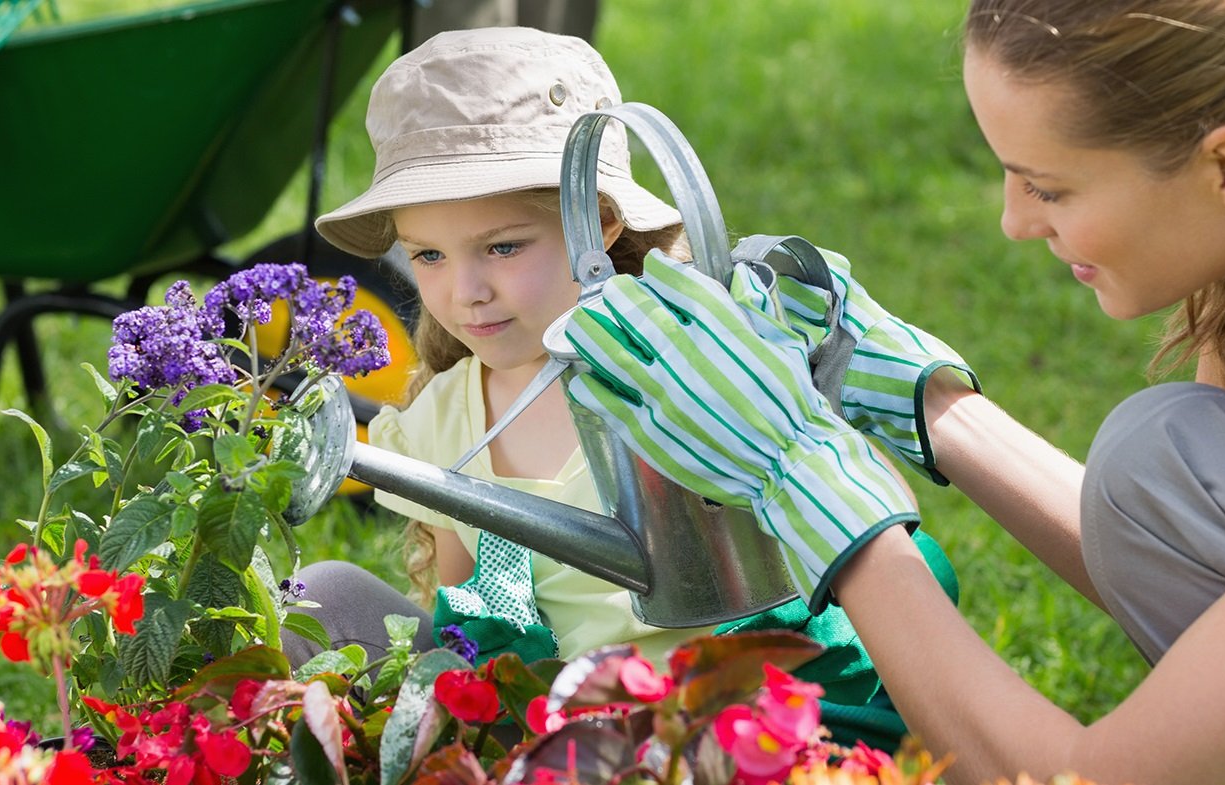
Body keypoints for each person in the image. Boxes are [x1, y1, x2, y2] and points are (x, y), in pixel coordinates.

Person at [556, 1, 1225, 783]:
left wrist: (816, 490)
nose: (1011, 221)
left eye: (1048, 186)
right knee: (1164, 461)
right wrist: (919, 396)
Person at [286, 26, 958, 747]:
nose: (466, 291)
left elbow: (879, 514)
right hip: (554, 717)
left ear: (598, 223)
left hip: (727, 717)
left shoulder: (686, 367)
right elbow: (464, 620)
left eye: (503, 246)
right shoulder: (446, 416)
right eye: (429, 255)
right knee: (325, 593)